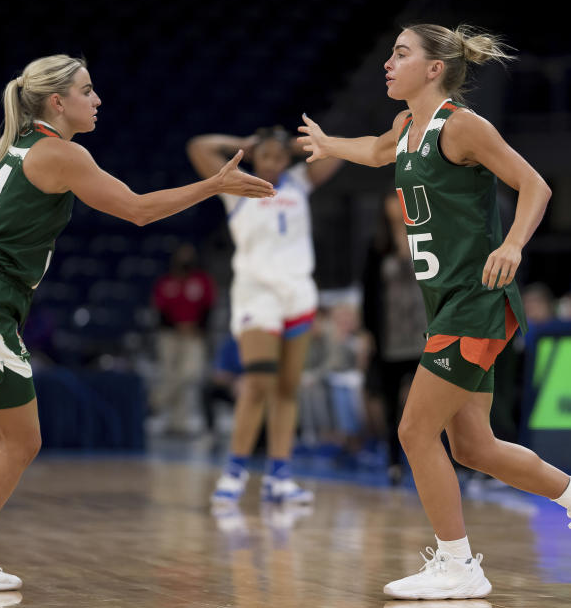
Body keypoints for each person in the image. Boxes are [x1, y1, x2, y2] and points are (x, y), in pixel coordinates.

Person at [0, 54, 274, 591]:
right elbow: (138, 211)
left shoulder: (20, 146)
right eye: (88, 91)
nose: (98, 100)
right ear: (57, 102)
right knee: (21, 444)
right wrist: (213, 185)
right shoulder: (61, 154)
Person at [298, 24, 571, 599]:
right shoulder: (405, 128)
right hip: (446, 302)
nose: (388, 63)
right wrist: (330, 147)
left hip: (477, 300)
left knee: (414, 429)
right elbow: (377, 151)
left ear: (433, 69)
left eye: (401, 53)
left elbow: (535, 186)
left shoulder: (462, 126)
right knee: (473, 447)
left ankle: (459, 563)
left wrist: (513, 244)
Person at [187, 127, 341, 504]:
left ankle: (280, 476)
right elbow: (198, 146)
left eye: (279, 156)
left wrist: (293, 144)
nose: (273, 163)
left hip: (298, 293)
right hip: (257, 295)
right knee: (257, 384)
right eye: (267, 156)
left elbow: (337, 151)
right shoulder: (234, 186)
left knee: (287, 389)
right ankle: (235, 470)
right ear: (256, 156)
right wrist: (244, 144)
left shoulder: (300, 182)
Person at [362, 191, 426, 485]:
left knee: (428, 403)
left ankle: (435, 461)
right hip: (390, 337)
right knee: (391, 405)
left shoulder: (427, 238)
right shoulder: (377, 247)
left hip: (423, 334)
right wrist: (368, 333)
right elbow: (368, 295)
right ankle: (393, 463)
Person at [149, 242, 216, 435]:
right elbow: (159, 310)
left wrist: (198, 328)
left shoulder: (202, 280)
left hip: (195, 336)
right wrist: (177, 327)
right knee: (170, 375)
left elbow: (209, 307)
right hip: (169, 335)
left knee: (190, 374)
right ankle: (177, 424)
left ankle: (155, 401)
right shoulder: (166, 282)